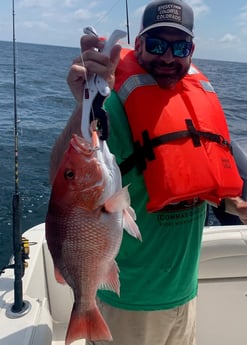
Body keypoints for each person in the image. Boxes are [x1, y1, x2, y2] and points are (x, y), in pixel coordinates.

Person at [50, 1, 247, 344]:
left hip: (183, 292)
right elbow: (65, 182)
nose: (168, 57)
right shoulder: (114, 105)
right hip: (130, 302)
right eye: (156, 45)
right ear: (138, 45)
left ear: (191, 51)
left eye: (179, 47)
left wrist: (235, 205)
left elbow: (195, 179)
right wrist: (84, 104)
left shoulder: (192, 105)